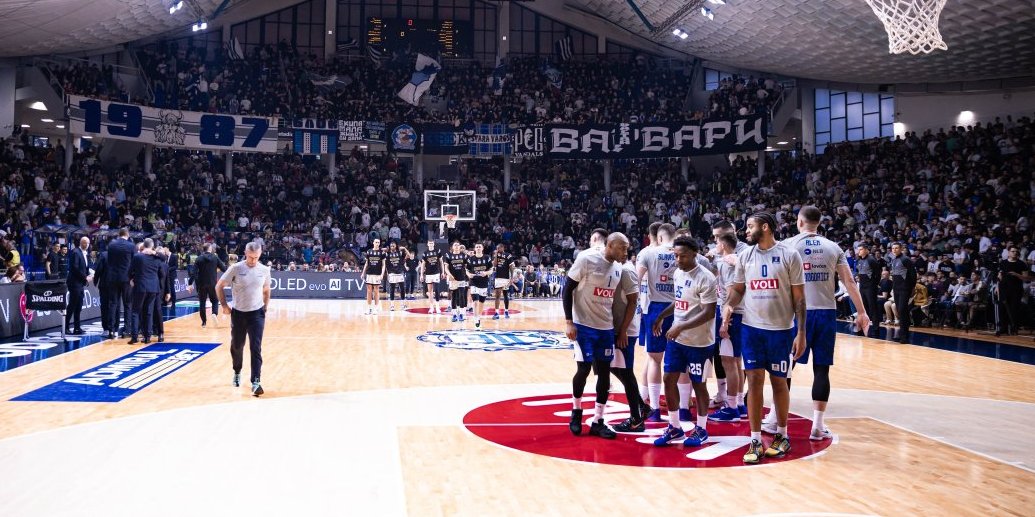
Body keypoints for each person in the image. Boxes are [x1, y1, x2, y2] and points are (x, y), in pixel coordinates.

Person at [721, 211, 806, 464]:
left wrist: (801, 332)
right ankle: (755, 439)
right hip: (751, 328)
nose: (746, 231)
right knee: (754, 381)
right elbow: (738, 289)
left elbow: (800, 298)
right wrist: (728, 305)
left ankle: (782, 435)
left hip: (781, 330)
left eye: (750, 226)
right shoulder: (745, 255)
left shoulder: (789, 254)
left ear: (765, 227)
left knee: (779, 382)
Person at [781, 206, 870, 441]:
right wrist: (861, 312)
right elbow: (849, 281)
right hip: (826, 312)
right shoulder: (834, 247)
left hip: (797, 313)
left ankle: (776, 422)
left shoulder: (788, 245)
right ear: (818, 223)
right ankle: (818, 426)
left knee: (786, 367)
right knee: (822, 369)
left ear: (800, 222)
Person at [651, 237, 717, 447]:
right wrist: (662, 316)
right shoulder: (678, 273)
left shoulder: (706, 278)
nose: (678, 260)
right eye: (676, 255)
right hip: (678, 341)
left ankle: (702, 428)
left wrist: (680, 326)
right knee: (668, 378)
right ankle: (674, 427)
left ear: (695, 254)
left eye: (683, 256)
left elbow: (708, 313)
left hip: (699, 342)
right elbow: (680, 302)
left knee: (699, 384)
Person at [563, 232, 629, 439]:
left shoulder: (619, 267)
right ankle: (576, 411)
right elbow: (567, 289)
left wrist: (620, 328)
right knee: (583, 370)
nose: (625, 252)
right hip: (583, 325)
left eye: (627, 248)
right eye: (622, 248)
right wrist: (568, 321)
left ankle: (598, 420)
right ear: (609, 246)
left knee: (604, 373)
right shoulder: (587, 259)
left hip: (606, 327)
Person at [637, 223, 694, 423]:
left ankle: (654, 409)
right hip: (682, 306)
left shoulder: (648, 253)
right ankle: (685, 408)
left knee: (654, 359)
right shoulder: (685, 253)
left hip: (656, 308)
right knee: (683, 360)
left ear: (659, 237)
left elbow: (637, 280)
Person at [217, 242, 272, 397]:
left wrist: (265, 307)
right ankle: (237, 371)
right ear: (245, 253)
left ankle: (256, 381)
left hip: (257, 314)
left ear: (260, 254)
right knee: (237, 346)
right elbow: (219, 286)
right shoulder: (236, 268)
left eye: (256, 257)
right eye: (250, 257)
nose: (253, 261)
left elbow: (266, 289)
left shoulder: (264, 270)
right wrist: (224, 305)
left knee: (256, 348)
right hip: (239, 314)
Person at [706, 219, 749, 413]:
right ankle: (738, 402)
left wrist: (725, 320)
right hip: (736, 312)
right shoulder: (723, 258)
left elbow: (733, 291)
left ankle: (732, 406)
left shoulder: (737, 256)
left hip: (732, 314)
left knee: (730, 361)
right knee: (734, 361)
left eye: (717, 238)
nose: (714, 241)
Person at [609, 248, 647, 432]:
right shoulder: (621, 268)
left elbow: (633, 301)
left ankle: (636, 419)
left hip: (626, 329)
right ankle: (641, 406)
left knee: (625, 371)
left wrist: (623, 330)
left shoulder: (626, 270)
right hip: (621, 326)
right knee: (615, 367)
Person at [128, 238, 164, 344]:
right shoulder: (157, 257)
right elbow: (164, 257)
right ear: (152, 246)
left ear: (143, 245)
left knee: (135, 311)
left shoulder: (137, 256)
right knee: (148, 312)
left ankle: (134, 337)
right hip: (153, 287)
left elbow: (130, 270)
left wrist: (131, 279)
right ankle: (147, 337)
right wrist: (154, 252)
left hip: (140, 286)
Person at [106, 229, 136, 337]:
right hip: (126, 278)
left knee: (113, 303)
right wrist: (133, 277)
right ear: (127, 235)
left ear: (119, 235)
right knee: (128, 304)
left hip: (113, 278)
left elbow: (109, 262)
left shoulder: (111, 245)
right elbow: (134, 263)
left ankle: (111, 330)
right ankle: (127, 330)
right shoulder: (131, 246)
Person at [189, 244, 227, 327]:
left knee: (202, 302)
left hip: (201, 284)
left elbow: (193, 272)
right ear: (210, 248)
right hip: (212, 283)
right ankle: (214, 313)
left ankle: (203, 322)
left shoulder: (199, 258)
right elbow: (224, 269)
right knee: (215, 300)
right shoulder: (215, 257)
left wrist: (189, 283)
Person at [886, 242, 917, 343]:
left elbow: (913, 274)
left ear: (901, 249)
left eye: (896, 248)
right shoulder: (893, 260)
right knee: (899, 311)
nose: (894, 250)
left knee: (903, 311)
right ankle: (902, 334)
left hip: (905, 288)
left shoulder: (906, 259)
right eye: (893, 248)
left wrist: (912, 287)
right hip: (896, 288)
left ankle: (905, 336)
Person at [65, 236, 92, 335]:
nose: (87, 245)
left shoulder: (85, 254)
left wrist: (89, 274)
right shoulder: (76, 252)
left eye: (88, 243)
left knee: (79, 306)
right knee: (72, 305)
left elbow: (84, 268)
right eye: (85, 243)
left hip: (80, 283)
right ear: (81, 243)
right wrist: (85, 277)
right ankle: (65, 327)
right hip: (74, 283)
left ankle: (77, 327)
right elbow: (75, 268)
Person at [996, 246, 1026, 336]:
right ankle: (1003, 328)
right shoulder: (1003, 263)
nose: (1015, 253)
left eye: (1016, 251)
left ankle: (1014, 327)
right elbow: (999, 275)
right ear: (1008, 252)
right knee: (1002, 308)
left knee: (1014, 309)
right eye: (1013, 251)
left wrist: (1016, 274)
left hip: (1016, 289)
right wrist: (997, 287)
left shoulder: (1021, 264)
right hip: (1003, 288)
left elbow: (1026, 278)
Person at [855, 245, 882, 337]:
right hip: (862, 287)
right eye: (858, 249)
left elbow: (878, 273)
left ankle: (876, 328)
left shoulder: (871, 260)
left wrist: (874, 284)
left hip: (870, 287)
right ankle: (863, 328)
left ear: (866, 250)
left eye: (861, 249)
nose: (859, 251)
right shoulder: (859, 260)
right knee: (863, 309)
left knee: (872, 307)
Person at [466, 243, 493, 327]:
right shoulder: (471, 259)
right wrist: (469, 275)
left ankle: (478, 317)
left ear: (482, 248)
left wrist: (486, 273)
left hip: (484, 282)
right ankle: (475, 318)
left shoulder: (487, 258)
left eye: (479, 247)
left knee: (481, 302)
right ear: (475, 248)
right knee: (475, 301)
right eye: (476, 247)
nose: (478, 248)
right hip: (474, 281)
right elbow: (467, 270)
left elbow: (491, 270)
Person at [444, 241, 469, 322]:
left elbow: (467, 267)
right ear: (452, 247)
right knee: (454, 296)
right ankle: (454, 314)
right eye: (455, 245)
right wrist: (449, 275)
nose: (457, 246)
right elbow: (446, 268)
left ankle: (461, 314)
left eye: (458, 245)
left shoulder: (464, 256)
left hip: (462, 278)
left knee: (462, 295)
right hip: (453, 279)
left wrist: (468, 275)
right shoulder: (448, 255)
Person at [361, 238, 386, 315]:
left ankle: (376, 308)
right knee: (369, 291)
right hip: (369, 273)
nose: (377, 243)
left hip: (377, 274)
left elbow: (383, 265)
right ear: (373, 243)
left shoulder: (382, 253)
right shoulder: (369, 251)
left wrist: (382, 274)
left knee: (376, 291)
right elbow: (366, 263)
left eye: (378, 242)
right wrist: (363, 273)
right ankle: (369, 308)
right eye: (376, 242)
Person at [419, 240, 445, 314]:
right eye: (429, 243)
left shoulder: (438, 251)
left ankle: (437, 307)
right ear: (427, 244)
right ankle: (431, 307)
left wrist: (442, 272)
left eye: (432, 243)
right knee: (430, 291)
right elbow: (423, 264)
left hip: (436, 273)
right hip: (428, 274)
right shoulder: (425, 253)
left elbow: (441, 262)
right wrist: (421, 274)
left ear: (434, 244)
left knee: (436, 290)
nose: (430, 244)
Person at [491, 244, 515, 319]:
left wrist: (511, 278)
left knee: (505, 295)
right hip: (498, 278)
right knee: (497, 295)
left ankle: (506, 311)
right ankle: (496, 313)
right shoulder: (496, 255)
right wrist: (495, 255)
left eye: (499, 247)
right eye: (497, 248)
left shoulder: (508, 255)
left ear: (503, 248)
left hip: (506, 278)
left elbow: (512, 267)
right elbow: (494, 265)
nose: (498, 249)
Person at [93, 247, 111, 337]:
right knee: (115, 306)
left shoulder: (104, 254)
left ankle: (106, 329)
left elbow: (99, 269)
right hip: (117, 284)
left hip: (104, 284)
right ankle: (114, 328)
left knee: (104, 307)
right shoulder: (120, 254)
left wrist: (95, 281)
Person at [385, 241, 408, 311]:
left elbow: (409, 255)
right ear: (389, 246)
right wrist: (387, 273)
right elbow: (385, 264)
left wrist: (404, 248)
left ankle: (403, 304)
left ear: (396, 245)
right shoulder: (387, 254)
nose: (392, 245)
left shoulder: (400, 253)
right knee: (392, 289)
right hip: (391, 273)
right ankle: (392, 306)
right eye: (391, 244)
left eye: (393, 244)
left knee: (402, 289)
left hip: (400, 272)